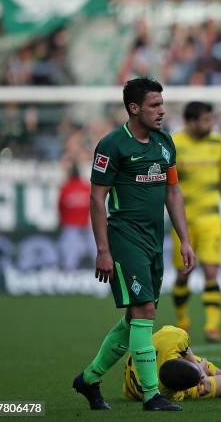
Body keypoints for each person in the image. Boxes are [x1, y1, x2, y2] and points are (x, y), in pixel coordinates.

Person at [72, 77, 196, 412]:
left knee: (133, 320)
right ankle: (151, 394)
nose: (162, 111)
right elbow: (97, 198)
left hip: (154, 242)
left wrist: (184, 239)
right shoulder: (112, 145)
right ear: (134, 108)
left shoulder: (164, 142)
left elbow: (173, 191)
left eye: (162, 104)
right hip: (124, 239)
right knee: (146, 311)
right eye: (155, 105)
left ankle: (90, 378)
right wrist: (103, 250)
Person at [171, 102, 221, 343]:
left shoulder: (218, 143)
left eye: (211, 120)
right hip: (183, 220)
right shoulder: (174, 144)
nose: (210, 125)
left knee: (211, 271)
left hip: (211, 216)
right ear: (190, 122)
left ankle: (212, 326)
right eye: (205, 121)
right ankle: (183, 321)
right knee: (183, 274)